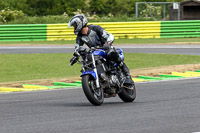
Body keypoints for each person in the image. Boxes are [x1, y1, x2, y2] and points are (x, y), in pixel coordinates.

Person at [68, 14, 131, 79]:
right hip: (94, 52)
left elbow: (109, 36)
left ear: (80, 23)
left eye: (75, 26)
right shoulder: (80, 36)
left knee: (111, 54)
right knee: (86, 60)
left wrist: (107, 43)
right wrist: (75, 56)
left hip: (105, 48)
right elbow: (77, 47)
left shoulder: (96, 28)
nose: (74, 28)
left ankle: (124, 69)